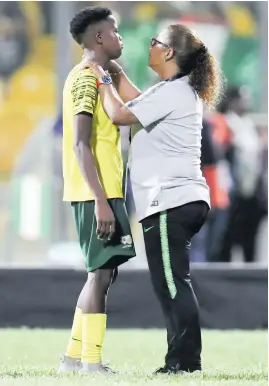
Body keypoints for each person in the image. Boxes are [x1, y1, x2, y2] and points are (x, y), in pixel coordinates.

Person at [83, 24, 222, 374]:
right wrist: (114, 72)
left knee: (172, 284)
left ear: (170, 52)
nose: (150, 45)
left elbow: (119, 114)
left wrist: (101, 79)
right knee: (171, 283)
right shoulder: (173, 90)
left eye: (155, 41)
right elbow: (134, 100)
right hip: (180, 198)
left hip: (169, 201)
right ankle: (183, 359)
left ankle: (184, 363)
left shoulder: (174, 92)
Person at [59, 6, 137, 375]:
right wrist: (101, 201)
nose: (121, 37)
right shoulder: (84, 79)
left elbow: (134, 107)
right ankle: (91, 363)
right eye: (116, 30)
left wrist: (115, 73)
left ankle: (73, 359)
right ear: (100, 38)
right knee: (101, 274)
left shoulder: (102, 74)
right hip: (95, 192)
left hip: (105, 189)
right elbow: (79, 144)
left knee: (103, 272)